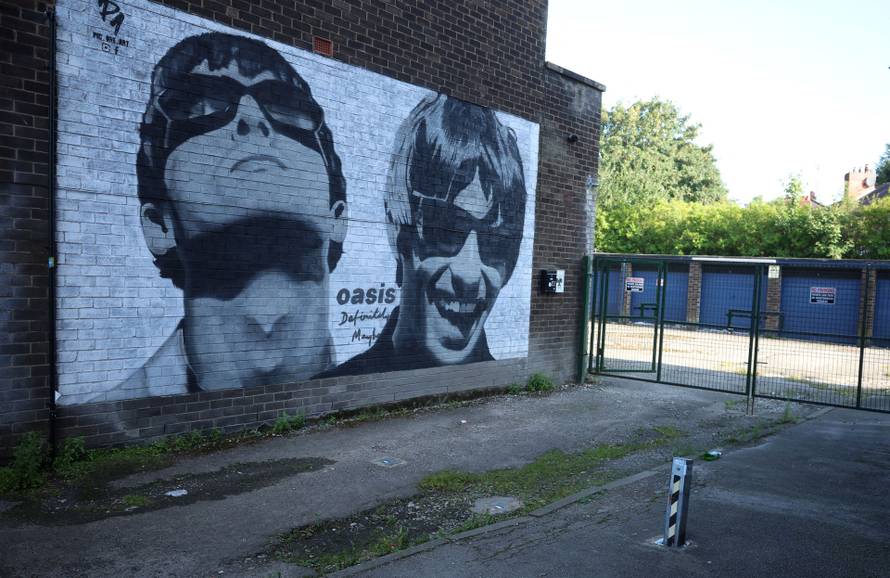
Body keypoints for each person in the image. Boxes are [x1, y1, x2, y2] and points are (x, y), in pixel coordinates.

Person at [112, 32, 348, 399]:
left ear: (338, 217)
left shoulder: (380, 373)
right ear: (159, 224)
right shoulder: (112, 418)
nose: (251, 118)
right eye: (202, 106)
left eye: (285, 106)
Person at [325, 93, 526, 376]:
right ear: (397, 230)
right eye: (443, 230)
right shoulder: (339, 384)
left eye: (496, 243)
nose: (468, 275)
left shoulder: (510, 378)